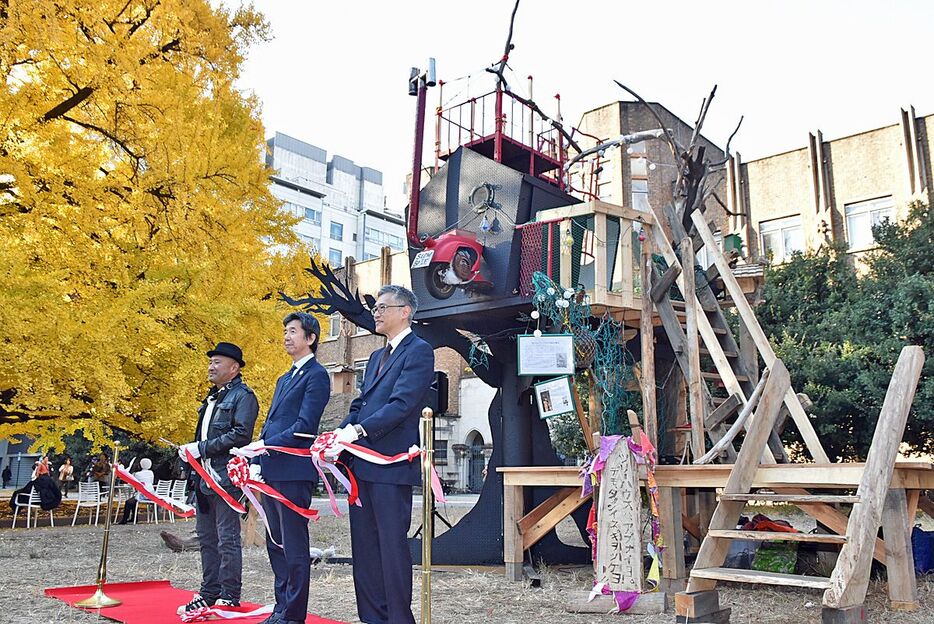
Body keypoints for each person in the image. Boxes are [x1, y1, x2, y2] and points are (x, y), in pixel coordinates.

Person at [329, 285, 434, 624]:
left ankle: (398, 620)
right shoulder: (376, 356)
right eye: (375, 307)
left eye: (383, 307)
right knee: (365, 551)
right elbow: (360, 403)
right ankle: (372, 617)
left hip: (389, 466)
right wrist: (339, 433)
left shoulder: (419, 351)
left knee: (391, 550)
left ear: (406, 311)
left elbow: (402, 404)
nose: (376, 312)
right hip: (360, 466)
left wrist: (359, 431)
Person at [237, 312, 329, 624]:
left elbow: (305, 427)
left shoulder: (317, 375)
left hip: (294, 470)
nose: (287, 337)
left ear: (311, 338)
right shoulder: (284, 378)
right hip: (272, 471)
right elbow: (272, 423)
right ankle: (280, 608)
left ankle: (294, 614)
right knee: (276, 543)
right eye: (285, 331)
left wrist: (265, 445)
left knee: (294, 546)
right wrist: (256, 455)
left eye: (293, 331)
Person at [177, 342, 259, 615]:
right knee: (206, 537)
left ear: (234, 368)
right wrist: (191, 451)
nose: (211, 367)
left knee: (227, 538)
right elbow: (204, 437)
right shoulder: (211, 399)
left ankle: (229, 595)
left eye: (217, 362)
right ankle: (208, 592)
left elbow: (240, 435)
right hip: (202, 477)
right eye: (210, 362)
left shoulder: (243, 397)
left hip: (225, 478)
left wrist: (200, 448)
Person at [118, 458, 154, 524]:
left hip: (142, 494)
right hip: (151, 494)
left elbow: (132, 483)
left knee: (128, 502)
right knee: (133, 501)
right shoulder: (151, 473)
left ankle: (125, 519)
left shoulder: (137, 474)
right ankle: (134, 518)